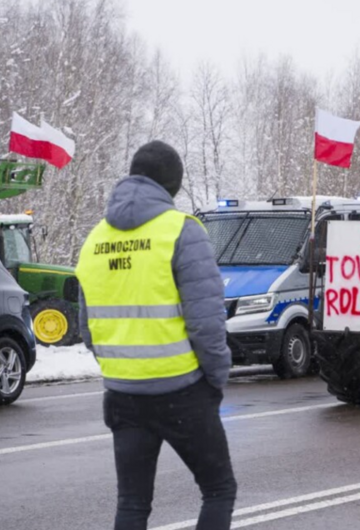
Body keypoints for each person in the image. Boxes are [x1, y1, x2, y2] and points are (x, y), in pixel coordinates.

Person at [75, 140, 237, 530]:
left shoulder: (95, 239)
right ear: (173, 187)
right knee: (218, 489)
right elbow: (207, 322)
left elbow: (88, 328)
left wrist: (123, 366)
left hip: (122, 396)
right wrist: (215, 380)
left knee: (132, 504)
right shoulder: (182, 231)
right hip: (182, 392)